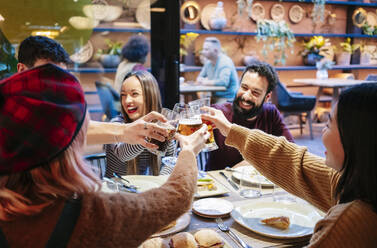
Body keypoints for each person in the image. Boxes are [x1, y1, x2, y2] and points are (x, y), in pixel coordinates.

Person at [0, 63, 209, 248]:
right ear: (73, 139)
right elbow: (176, 198)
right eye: (85, 124)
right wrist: (189, 151)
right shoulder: (92, 215)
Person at [202, 83, 377, 247]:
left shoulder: (350, 220)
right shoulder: (357, 182)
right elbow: (295, 162)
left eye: (328, 124)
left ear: (357, 140)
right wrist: (230, 130)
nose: (322, 132)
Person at [17, 35, 164, 148]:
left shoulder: (51, 103)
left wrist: (127, 131)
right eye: (47, 76)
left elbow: (76, 128)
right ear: (22, 70)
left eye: (61, 78)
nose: (55, 86)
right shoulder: (10, 108)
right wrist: (124, 131)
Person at [206, 61, 294, 171]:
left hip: (260, 187)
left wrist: (246, 164)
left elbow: (291, 152)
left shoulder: (271, 114)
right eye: (244, 87)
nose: (246, 96)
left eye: (255, 92)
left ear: (267, 97)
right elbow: (188, 142)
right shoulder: (218, 113)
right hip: (220, 185)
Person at [105, 70, 175, 177]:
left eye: (134, 94)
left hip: (148, 190)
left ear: (150, 96)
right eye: (123, 95)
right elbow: (122, 155)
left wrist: (158, 183)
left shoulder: (161, 125)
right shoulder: (116, 124)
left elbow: (170, 161)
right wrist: (147, 133)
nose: (127, 101)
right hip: (118, 191)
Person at [196, 37, 238, 103]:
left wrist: (206, 82)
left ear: (215, 50)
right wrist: (202, 80)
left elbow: (224, 82)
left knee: (206, 108)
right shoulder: (208, 62)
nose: (203, 52)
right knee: (198, 105)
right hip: (215, 96)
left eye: (206, 49)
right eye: (203, 49)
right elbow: (199, 78)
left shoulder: (225, 62)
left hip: (228, 98)